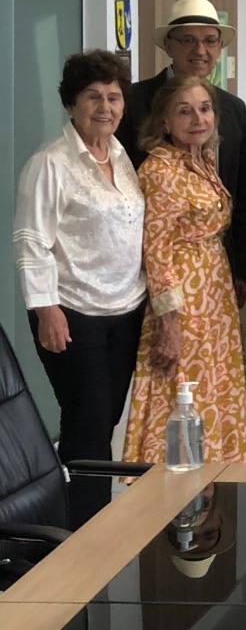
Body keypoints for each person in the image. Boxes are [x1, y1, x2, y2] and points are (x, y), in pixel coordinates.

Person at [13, 50, 146, 528]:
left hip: (126, 309)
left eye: (114, 97)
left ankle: (78, 517)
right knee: (87, 426)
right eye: (93, 97)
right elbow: (31, 240)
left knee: (102, 421)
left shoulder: (121, 157)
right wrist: (45, 309)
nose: (105, 107)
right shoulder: (50, 163)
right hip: (73, 312)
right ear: (71, 104)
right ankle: (82, 530)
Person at [122, 75, 246, 465]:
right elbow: (156, 250)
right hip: (183, 300)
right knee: (183, 389)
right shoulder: (160, 170)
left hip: (213, 293)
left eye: (204, 108)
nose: (198, 119)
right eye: (185, 111)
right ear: (164, 121)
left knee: (212, 384)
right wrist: (169, 322)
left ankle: (210, 476)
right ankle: (174, 487)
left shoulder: (203, 160)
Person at [119, 0, 246, 308]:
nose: (200, 50)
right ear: (168, 45)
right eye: (188, 40)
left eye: (210, 41)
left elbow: (242, 193)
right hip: (147, 271)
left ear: (220, 47)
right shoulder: (132, 101)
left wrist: (241, 269)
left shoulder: (233, 109)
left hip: (218, 271)